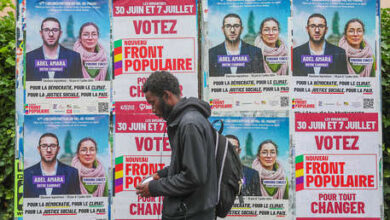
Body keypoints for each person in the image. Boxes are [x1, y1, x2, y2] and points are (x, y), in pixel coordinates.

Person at [136, 71, 217, 220]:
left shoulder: (189, 124)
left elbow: (194, 177)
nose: (153, 110)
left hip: (190, 214)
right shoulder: (186, 121)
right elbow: (188, 165)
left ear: (167, 96)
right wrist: (162, 174)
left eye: (153, 103)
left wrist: (155, 188)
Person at [24, 133, 81, 198]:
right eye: (44, 146)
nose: (48, 150)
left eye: (53, 146)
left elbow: (76, 202)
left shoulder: (72, 173)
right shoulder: (26, 174)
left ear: (58, 149)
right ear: (39, 149)